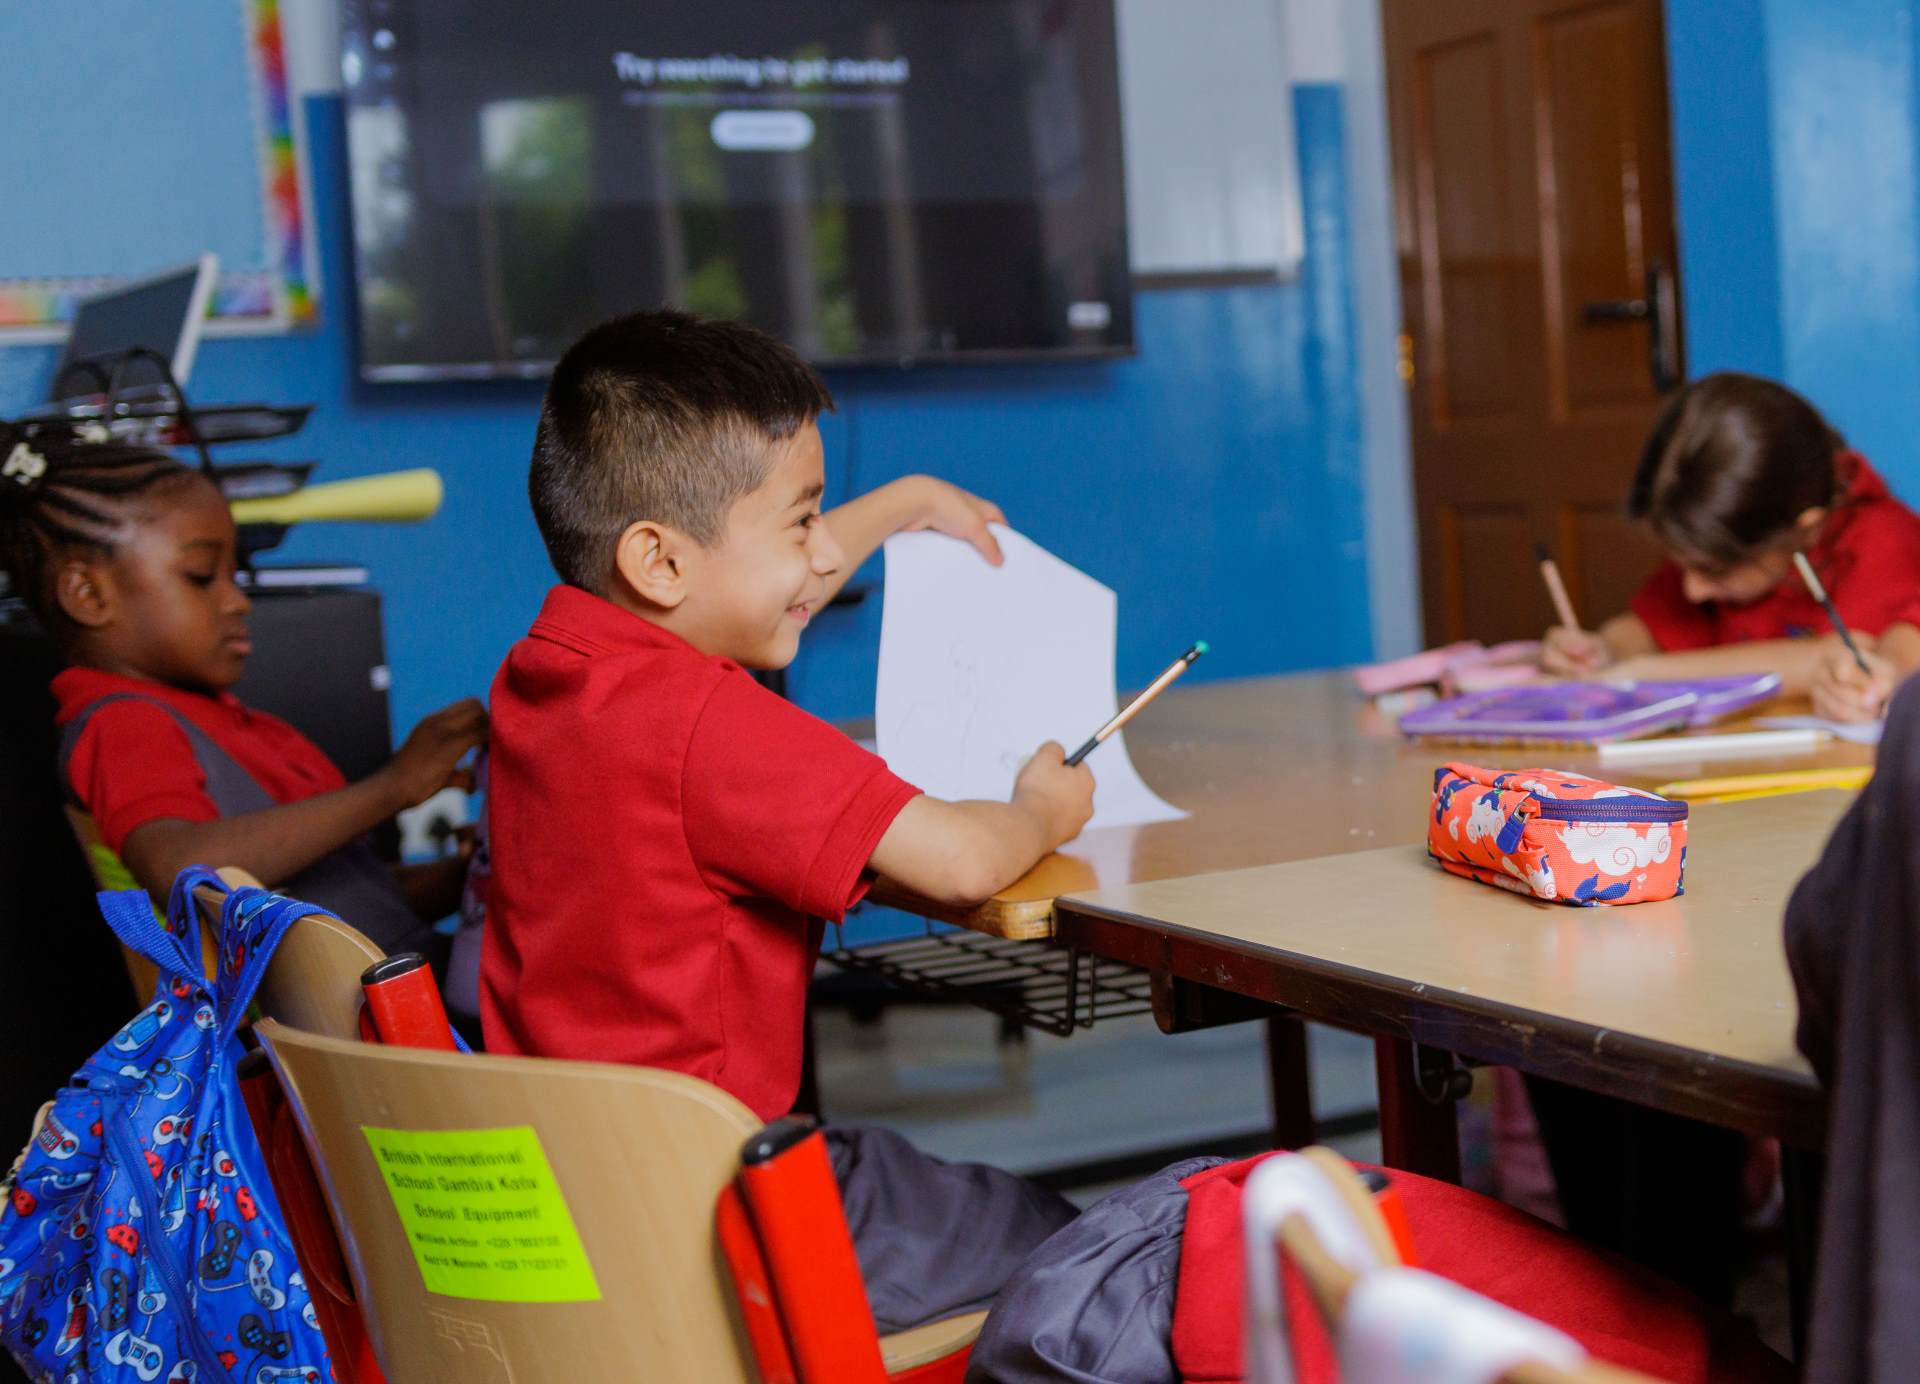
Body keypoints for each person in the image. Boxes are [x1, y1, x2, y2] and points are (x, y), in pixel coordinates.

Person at [482, 308, 1094, 1331]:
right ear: (658, 563)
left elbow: (753, 581)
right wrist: (1040, 809)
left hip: (590, 1198)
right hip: (731, 1218)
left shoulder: (547, 675)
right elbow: (959, 862)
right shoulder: (705, 723)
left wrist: (904, 502)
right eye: (803, 521)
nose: (821, 555)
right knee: (1078, 1251)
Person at [0, 425, 485, 959]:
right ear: (89, 594)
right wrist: (392, 787)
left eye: (236, 575)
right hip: (375, 1010)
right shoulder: (123, 722)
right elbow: (176, 869)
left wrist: (471, 874)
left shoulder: (214, 717)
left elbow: (357, 912)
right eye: (202, 576)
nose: (238, 601)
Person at [1541, 373, 1920, 721]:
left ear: (1805, 529)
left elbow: (1849, 654)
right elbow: (1647, 627)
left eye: (1713, 570)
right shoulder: (1728, 535)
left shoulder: (1882, 541)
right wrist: (1602, 651)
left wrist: (1642, 674)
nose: (1693, 590)